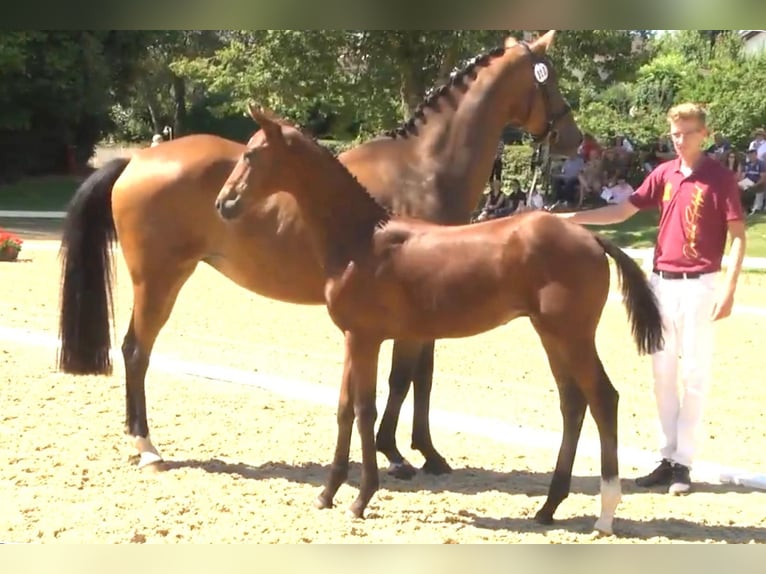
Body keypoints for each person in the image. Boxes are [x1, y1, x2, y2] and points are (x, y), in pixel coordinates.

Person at [556, 102, 746, 495]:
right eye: (675, 133)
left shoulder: (719, 178)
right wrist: (574, 219)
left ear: (703, 134)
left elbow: (739, 236)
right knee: (661, 372)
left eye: (687, 132)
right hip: (662, 283)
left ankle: (683, 462)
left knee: (694, 373)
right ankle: (666, 456)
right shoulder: (665, 174)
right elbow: (625, 210)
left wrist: (729, 288)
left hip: (700, 284)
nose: (680, 139)